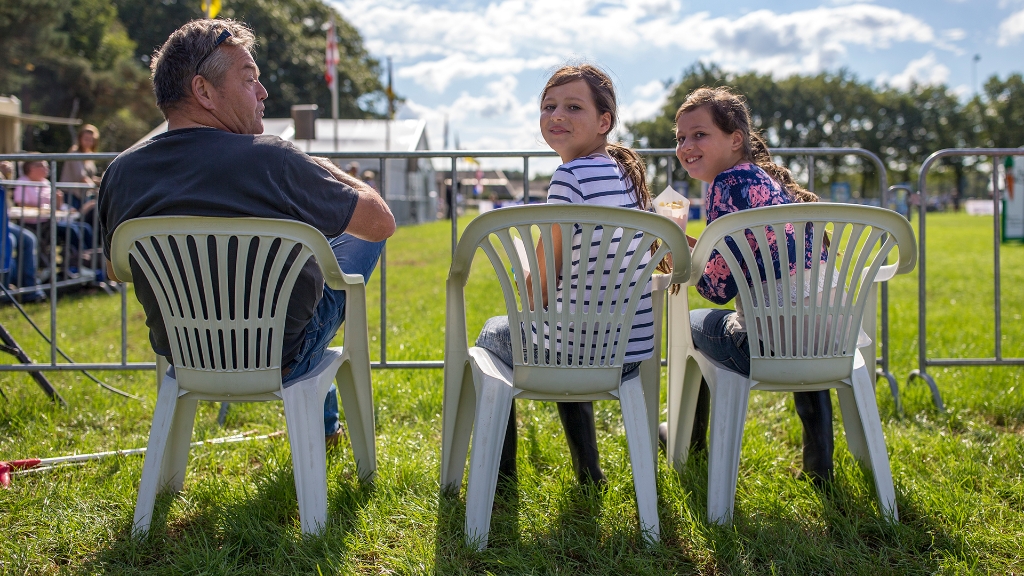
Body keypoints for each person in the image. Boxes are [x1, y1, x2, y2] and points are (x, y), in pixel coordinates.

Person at [97, 19, 395, 445]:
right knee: (351, 241)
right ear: (203, 91)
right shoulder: (273, 160)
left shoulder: (120, 172)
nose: (263, 92)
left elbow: (116, 269)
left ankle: (324, 426)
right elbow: (381, 221)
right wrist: (330, 170)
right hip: (282, 354)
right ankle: (324, 428)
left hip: (185, 354)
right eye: (250, 78)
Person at [474, 64, 656, 487]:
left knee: (494, 333)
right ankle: (588, 470)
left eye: (573, 107)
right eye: (548, 106)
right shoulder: (627, 176)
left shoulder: (569, 177)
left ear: (604, 122)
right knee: (567, 323)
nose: (557, 115)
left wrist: (524, 271)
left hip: (577, 350)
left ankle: (500, 479)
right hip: (630, 351)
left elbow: (536, 293)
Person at [661, 86, 835, 485]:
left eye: (700, 134)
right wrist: (688, 243)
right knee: (797, 317)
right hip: (830, 339)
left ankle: (687, 439)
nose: (686, 146)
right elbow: (746, 257)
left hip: (768, 347)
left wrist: (676, 250)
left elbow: (717, 289)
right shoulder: (766, 185)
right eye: (681, 138)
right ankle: (819, 465)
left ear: (735, 139)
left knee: (692, 326)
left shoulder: (725, 187)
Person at [13, 158, 94, 278]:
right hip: (33, 223)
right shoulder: (22, 182)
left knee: (84, 228)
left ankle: (89, 263)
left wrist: (59, 201)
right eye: (43, 166)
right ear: (31, 168)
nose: (47, 169)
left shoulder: (45, 183)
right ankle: (79, 264)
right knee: (72, 231)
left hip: (49, 221)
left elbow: (56, 207)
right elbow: (21, 204)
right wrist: (43, 207)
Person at [0, 161, 46, 302]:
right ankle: (4, 292)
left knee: (29, 239)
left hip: (4, 220)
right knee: (9, 240)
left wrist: (3, 174)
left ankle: (30, 291)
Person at [60, 124, 102, 214]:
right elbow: (82, 177)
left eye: (91, 140)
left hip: (83, 196)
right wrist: (97, 190)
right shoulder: (74, 152)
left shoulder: (89, 155)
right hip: (71, 196)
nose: (88, 142)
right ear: (80, 139)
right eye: (86, 139)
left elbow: (90, 177)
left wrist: (103, 181)